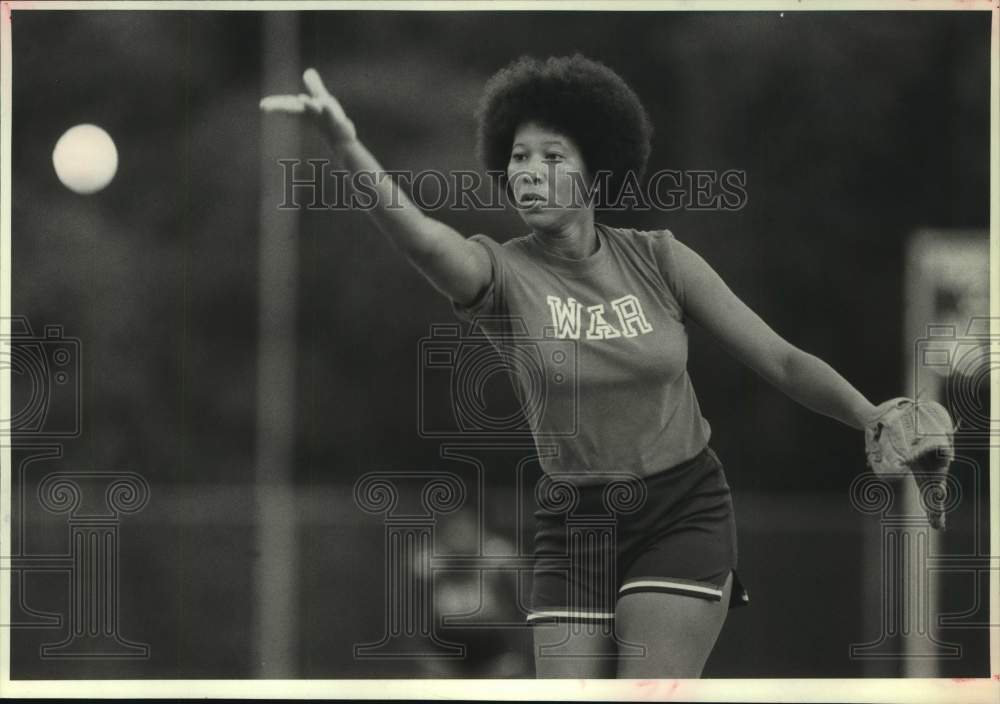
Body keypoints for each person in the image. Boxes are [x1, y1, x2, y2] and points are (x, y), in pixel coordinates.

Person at [261, 55, 881, 678]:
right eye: (521, 158)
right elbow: (423, 240)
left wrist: (871, 416)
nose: (530, 172)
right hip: (573, 522)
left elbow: (781, 359)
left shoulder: (659, 259)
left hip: (679, 510)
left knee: (646, 692)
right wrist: (347, 146)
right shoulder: (502, 272)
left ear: (595, 172)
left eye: (553, 158)